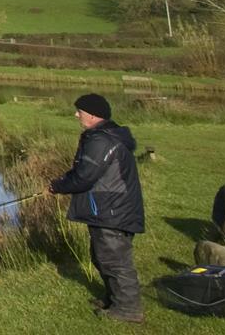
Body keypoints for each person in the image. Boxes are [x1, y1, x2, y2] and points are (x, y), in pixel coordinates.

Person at [48, 93, 145, 322]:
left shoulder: (102, 140)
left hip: (113, 210)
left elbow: (84, 177)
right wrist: (59, 183)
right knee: (102, 256)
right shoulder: (103, 136)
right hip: (107, 208)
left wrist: (57, 186)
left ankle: (129, 310)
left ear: (92, 115)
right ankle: (114, 300)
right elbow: (83, 173)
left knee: (115, 261)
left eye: (79, 111)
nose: (76, 115)